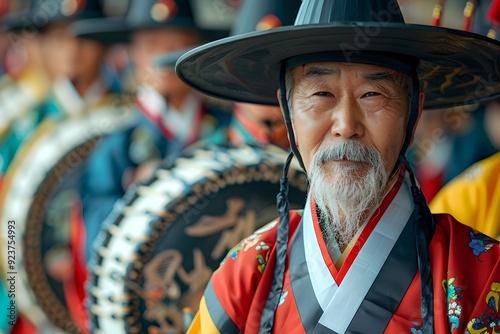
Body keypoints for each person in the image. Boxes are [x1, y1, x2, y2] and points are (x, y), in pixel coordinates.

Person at [175, 0, 500, 332]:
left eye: (372, 93)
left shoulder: (481, 275)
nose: (346, 124)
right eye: (320, 93)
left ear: (413, 114)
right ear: (287, 112)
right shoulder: (245, 274)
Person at [79, 0, 231, 262]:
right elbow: (94, 232)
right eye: (151, 45)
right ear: (132, 54)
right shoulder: (115, 137)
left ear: (196, 50)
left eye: (176, 44)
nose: (163, 56)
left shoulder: (228, 128)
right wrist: (137, 198)